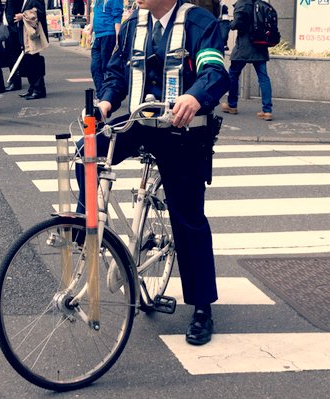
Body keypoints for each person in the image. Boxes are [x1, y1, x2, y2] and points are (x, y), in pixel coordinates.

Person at [74, 0, 229, 345]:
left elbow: (215, 72)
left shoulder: (200, 22)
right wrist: (105, 104)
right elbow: (116, 74)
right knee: (87, 149)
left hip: (183, 132)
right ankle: (86, 229)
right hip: (140, 122)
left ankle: (202, 306)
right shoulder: (132, 24)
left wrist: (194, 96)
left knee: (187, 218)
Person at [220, 0, 273, 121]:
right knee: (264, 78)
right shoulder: (261, 4)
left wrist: (229, 24)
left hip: (244, 46)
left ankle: (232, 105)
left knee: (233, 74)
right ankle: (267, 110)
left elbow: (236, 23)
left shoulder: (242, 4)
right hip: (260, 46)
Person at [83, 0, 124, 97]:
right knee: (95, 67)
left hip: (109, 34)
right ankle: (101, 93)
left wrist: (118, 36)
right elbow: (95, 14)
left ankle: (108, 94)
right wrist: (90, 31)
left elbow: (117, 16)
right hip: (98, 35)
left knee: (106, 66)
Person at [14, 0, 48, 100]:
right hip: (27, 35)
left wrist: (23, 16)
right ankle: (32, 88)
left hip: (33, 36)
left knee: (34, 62)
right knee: (29, 61)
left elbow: (40, 12)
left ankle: (39, 90)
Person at [2, 0, 23, 91]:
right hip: (9, 28)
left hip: (13, 28)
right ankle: (13, 79)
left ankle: (16, 81)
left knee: (13, 56)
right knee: (10, 56)